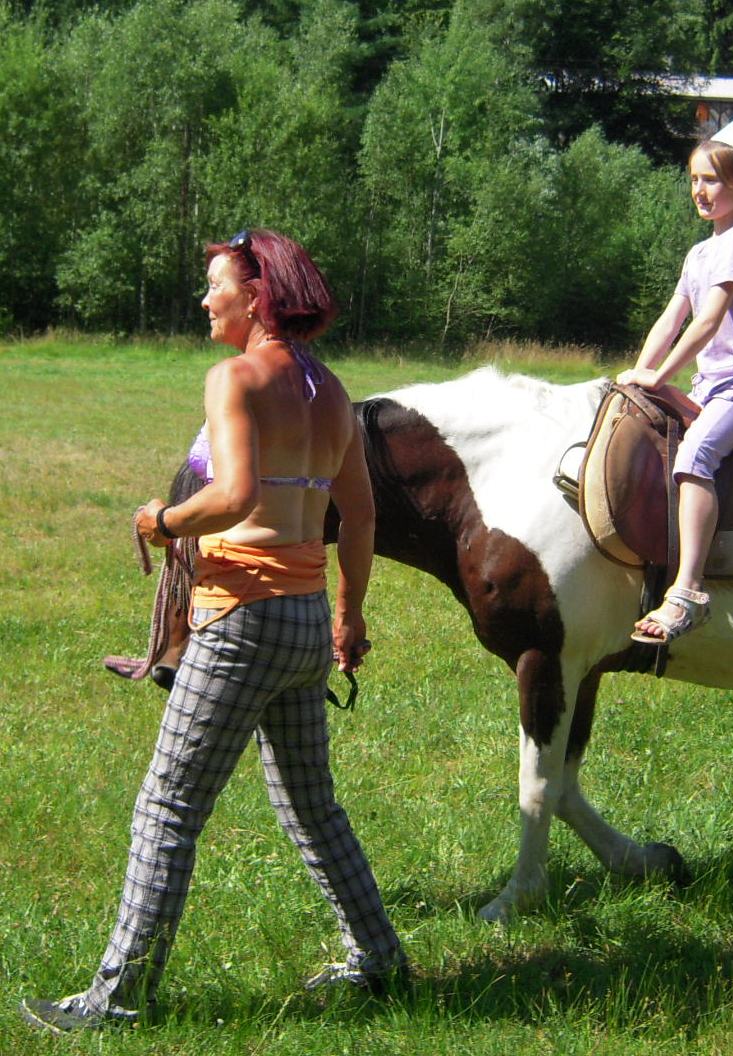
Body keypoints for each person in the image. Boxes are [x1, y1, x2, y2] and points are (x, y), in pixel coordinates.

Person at [21, 229, 407, 1034]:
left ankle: (117, 998)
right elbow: (362, 515)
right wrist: (348, 612)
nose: (206, 300)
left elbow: (232, 496)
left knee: (167, 806)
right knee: (312, 806)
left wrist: (160, 520)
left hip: (239, 622)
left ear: (256, 297)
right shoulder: (332, 391)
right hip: (303, 621)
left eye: (217, 286)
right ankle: (380, 960)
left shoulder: (234, 378)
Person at [618, 141, 733, 643]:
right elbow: (670, 320)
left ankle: (689, 591)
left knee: (695, 455)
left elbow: (708, 321)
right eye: (693, 179)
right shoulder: (700, 252)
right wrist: (637, 372)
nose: (699, 190)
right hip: (709, 387)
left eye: (710, 180)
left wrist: (659, 377)